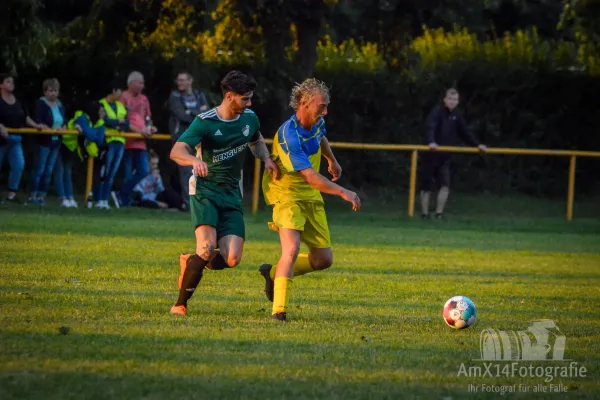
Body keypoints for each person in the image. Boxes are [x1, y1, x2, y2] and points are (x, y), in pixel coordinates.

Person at [168, 70, 279, 316]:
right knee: (206, 248)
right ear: (229, 97)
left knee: (232, 259)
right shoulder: (205, 121)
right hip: (205, 191)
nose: (250, 104)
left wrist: (267, 159)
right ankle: (179, 305)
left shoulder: (249, 118)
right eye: (245, 99)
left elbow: (256, 140)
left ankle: (189, 262)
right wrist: (192, 161)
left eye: (250, 98)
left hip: (231, 194)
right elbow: (176, 151)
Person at [259, 78, 361, 322]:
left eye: (327, 106)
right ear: (304, 103)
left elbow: (320, 136)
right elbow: (310, 177)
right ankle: (278, 312)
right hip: (287, 195)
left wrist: (331, 160)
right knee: (291, 250)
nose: (325, 111)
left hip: (310, 197)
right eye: (321, 106)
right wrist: (342, 191)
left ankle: (273, 274)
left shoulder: (317, 121)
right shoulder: (288, 135)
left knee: (323, 260)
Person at [419, 88, 487, 219]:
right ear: (445, 99)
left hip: (445, 156)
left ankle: (439, 214)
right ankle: (424, 214)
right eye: (450, 99)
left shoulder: (457, 114)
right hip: (430, 154)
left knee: (445, 185)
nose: (452, 101)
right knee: (426, 185)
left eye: (455, 99)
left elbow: (465, 132)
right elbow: (430, 127)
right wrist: (431, 142)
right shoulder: (436, 112)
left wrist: (478, 145)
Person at [168, 71, 210, 210]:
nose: (179, 83)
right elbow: (181, 115)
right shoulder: (175, 96)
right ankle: (189, 205)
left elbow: (207, 114)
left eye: (182, 80)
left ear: (190, 81)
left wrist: (190, 112)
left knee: (203, 170)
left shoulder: (199, 95)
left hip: (200, 138)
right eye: (178, 80)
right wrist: (197, 112)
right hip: (182, 139)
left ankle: (203, 203)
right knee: (186, 172)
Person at [0, 73, 43, 204]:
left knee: (18, 165)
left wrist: (36, 126)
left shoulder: (17, 101)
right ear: (1, 85)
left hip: (15, 138)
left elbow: (25, 117)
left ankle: (12, 195)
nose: (11, 84)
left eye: (12, 81)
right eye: (7, 82)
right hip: (1, 139)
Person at [119, 71, 157, 206]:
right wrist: (140, 131)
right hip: (127, 141)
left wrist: (150, 128)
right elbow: (122, 121)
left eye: (143, 82)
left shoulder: (144, 99)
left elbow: (148, 118)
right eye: (140, 82)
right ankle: (124, 200)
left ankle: (123, 193)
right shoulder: (123, 98)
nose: (142, 85)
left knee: (144, 171)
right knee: (128, 173)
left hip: (141, 142)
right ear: (131, 83)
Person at [30, 78, 66, 205]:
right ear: (45, 92)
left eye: (55, 91)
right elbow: (39, 120)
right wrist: (49, 128)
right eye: (50, 90)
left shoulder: (60, 104)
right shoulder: (40, 104)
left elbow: (64, 120)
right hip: (43, 141)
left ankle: (42, 196)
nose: (53, 93)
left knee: (49, 170)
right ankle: (33, 195)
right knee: (40, 169)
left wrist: (63, 128)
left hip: (56, 141)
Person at [96, 82, 129, 209]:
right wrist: (117, 123)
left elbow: (126, 123)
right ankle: (99, 199)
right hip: (107, 142)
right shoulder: (101, 104)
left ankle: (104, 199)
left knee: (112, 173)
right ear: (114, 91)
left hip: (119, 141)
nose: (121, 94)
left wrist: (116, 124)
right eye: (120, 91)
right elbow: (104, 121)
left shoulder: (120, 106)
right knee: (104, 172)